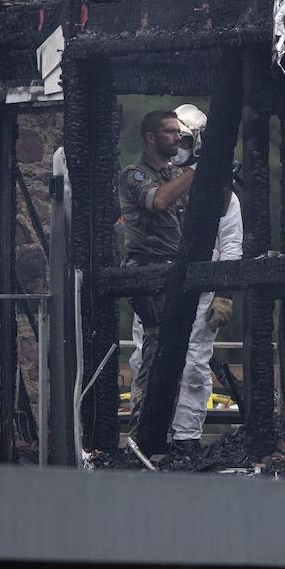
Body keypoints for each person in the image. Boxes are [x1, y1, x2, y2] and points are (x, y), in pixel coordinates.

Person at [167, 105, 241, 457]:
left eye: (183, 138)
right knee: (148, 361)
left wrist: (224, 294)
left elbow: (231, 245)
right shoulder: (159, 182)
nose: (177, 145)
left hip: (202, 290)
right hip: (160, 289)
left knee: (194, 364)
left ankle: (186, 437)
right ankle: (151, 434)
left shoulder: (224, 194)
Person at [120, 110, 195, 442]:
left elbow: (213, 209)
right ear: (151, 137)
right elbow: (160, 200)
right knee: (155, 347)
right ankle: (142, 433)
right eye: (170, 133)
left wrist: (217, 175)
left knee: (175, 351)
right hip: (147, 269)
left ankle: (163, 433)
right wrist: (195, 173)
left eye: (179, 133)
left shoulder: (178, 172)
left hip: (174, 269)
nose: (178, 138)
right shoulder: (134, 175)